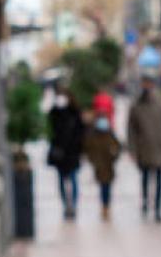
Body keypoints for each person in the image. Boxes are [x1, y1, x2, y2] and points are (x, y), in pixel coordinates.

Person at [126, 77, 161, 222]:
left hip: (160, 147)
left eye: (149, 83)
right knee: (145, 178)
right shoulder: (136, 105)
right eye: (144, 83)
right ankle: (145, 203)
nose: (146, 86)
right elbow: (131, 129)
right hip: (144, 148)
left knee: (160, 181)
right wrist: (132, 149)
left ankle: (158, 209)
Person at [47, 91, 87, 221]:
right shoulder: (55, 113)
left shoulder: (75, 112)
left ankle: (73, 205)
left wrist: (80, 149)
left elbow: (82, 132)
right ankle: (65, 205)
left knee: (74, 178)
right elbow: (50, 129)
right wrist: (55, 108)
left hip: (73, 152)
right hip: (59, 153)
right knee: (61, 180)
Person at [84, 115, 122, 223]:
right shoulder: (92, 135)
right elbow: (87, 149)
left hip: (109, 165)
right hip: (99, 166)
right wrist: (93, 160)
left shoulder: (110, 134)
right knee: (103, 187)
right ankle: (104, 206)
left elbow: (118, 147)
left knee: (107, 187)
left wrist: (114, 155)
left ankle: (106, 206)